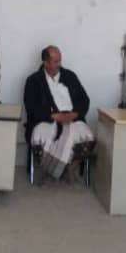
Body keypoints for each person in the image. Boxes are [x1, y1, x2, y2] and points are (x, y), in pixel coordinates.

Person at [22, 46, 94, 180]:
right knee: (46, 136)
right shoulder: (33, 80)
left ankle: (61, 168)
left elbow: (84, 100)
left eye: (60, 61)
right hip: (46, 120)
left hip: (72, 119)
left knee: (87, 136)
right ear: (45, 62)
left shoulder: (70, 76)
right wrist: (53, 116)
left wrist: (75, 114)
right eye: (56, 62)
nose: (59, 64)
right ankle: (63, 169)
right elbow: (31, 107)